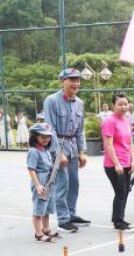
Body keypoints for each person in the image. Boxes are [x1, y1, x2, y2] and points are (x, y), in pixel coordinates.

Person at [43, 68, 90, 233]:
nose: (76, 83)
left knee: (74, 183)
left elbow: (80, 130)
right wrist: (58, 152)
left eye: (78, 80)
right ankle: (63, 220)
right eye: (72, 80)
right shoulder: (52, 101)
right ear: (63, 81)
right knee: (62, 183)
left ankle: (71, 213)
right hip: (59, 146)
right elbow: (50, 128)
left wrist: (82, 151)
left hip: (73, 148)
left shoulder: (79, 103)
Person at [102, 93, 134, 232]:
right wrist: (116, 163)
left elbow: (130, 142)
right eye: (120, 104)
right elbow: (108, 145)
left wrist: (132, 160)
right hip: (114, 164)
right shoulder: (109, 121)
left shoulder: (126, 120)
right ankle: (118, 221)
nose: (123, 107)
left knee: (125, 191)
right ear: (113, 106)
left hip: (127, 162)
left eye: (125, 104)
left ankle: (120, 218)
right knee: (121, 191)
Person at [27, 123, 58, 242]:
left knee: (46, 208)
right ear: (35, 137)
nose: (46, 139)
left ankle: (46, 229)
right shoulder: (34, 151)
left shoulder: (45, 150)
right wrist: (37, 185)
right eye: (42, 137)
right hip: (40, 182)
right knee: (39, 209)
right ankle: (39, 234)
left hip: (48, 182)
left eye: (48, 136)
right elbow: (31, 169)